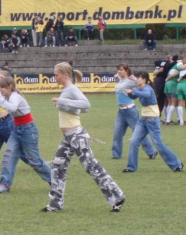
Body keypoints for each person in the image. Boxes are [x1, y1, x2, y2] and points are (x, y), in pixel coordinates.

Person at [42, 62, 125, 212]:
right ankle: (55, 204)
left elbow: (86, 105)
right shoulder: (67, 90)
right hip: (68, 137)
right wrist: (64, 104)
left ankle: (116, 196)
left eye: (56, 75)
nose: (54, 77)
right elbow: (79, 110)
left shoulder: (72, 89)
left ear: (65, 75)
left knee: (91, 166)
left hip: (77, 136)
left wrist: (62, 102)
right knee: (57, 168)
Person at [0, 76, 52, 194]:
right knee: (8, 156)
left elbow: (12, 107)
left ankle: (55, 180)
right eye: (0, 87)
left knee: (34, 160)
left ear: (10, 87)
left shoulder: (15, 97)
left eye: (3, 87)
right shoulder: (6, 95)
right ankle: (4, 185)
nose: (0, 89)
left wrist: (0, 100)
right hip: (16, 129)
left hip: (28, 130)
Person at [123, 71, 184, 173]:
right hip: (143, 120)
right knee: (133, 142)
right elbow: (134, 96)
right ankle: (131, 167)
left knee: (159, 144)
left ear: (144, 79)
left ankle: (177, 164)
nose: (136, 80)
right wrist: (129, 94)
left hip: (152, 120)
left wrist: (134, 91)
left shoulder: (147, 88)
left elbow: (146, 94)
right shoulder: (140, 89)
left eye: (138, 78)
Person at [112, 64, 157, 160]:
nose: (119, 71)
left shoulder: (130, 81)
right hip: (121, 111)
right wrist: (117, 78)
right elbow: (121, 87)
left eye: (121, 70)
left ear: (126, 70)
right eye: (118, 70)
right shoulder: (121, 81)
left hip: (130, 111)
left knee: (138, 133)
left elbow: (137, 83)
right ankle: (116, 154)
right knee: (117, 132)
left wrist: (132, 77)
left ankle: (151, 152)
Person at [163, 55, 179, 124]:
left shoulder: (170, 67)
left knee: (169, 102)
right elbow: (174, 75)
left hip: (167, 84)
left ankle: (166, 118)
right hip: (172, 84)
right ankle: (168, 120)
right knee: (174, 103)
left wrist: (167, 79)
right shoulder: (177, 67)